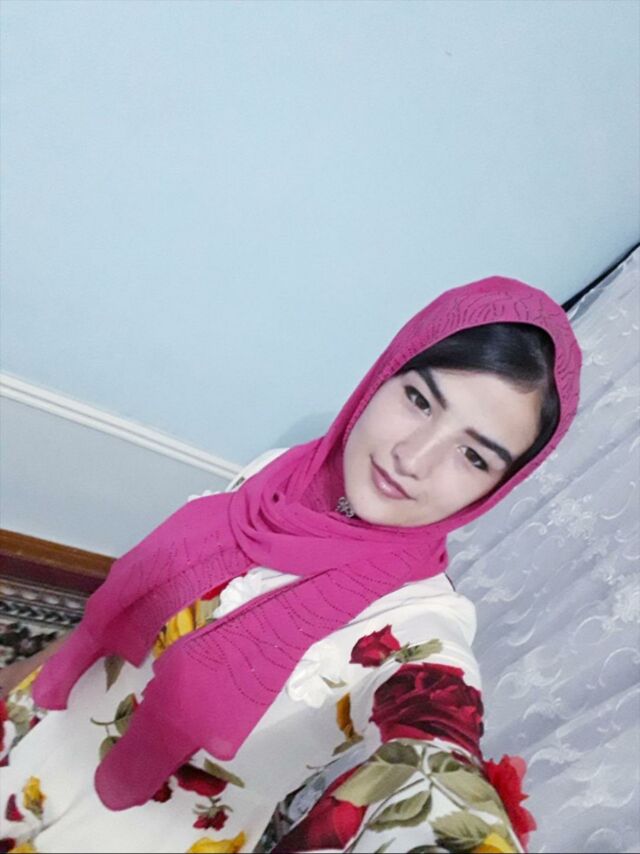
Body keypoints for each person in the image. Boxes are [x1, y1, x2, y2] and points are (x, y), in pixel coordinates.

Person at [0, 275, 582, 854]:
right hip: (39, 728)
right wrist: (22, 684)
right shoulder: (278, 477)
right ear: (385, 372)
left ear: (498, 487)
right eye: (419, 400)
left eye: (473, 455)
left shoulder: (418, 629)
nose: (413, 458)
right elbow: (120, 620)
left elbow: (435, 753)